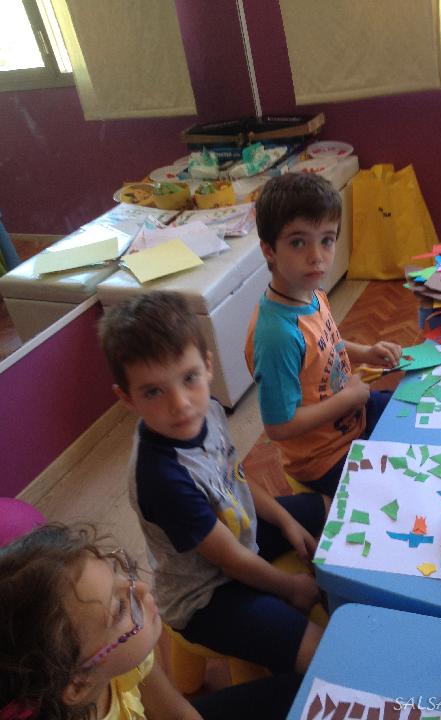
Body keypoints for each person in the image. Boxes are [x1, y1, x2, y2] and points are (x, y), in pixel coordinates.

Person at [98, 291, 327, 679]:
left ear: (207, 366)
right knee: (316, 651)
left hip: (238, 536)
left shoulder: (210, 410)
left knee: (326, 508)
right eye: (153, 391)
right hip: (205, 596)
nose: (181, 404)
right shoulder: (161, 477)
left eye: (188, 378)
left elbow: (234, 478)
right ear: (127, 398)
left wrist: (286, 521)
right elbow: (230, 561)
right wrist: (291, 588)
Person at [0, 524, 302, 720]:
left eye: (119, 573)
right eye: (120, 608)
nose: (142, 589)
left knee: (302, 690)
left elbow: (178, 714)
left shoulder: (125, 657)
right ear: (78, 685)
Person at [245, 172, 402, 498]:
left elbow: (327, 345)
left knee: (412, 412)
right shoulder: (276, 337)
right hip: (323, 459)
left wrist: (366, 352)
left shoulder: (312, 293)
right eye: (298, 242)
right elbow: (279, 426)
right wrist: (346, 399)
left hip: (352, 415)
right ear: (269, 250)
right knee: (395, 491)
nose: (317, 256)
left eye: (327, 240)